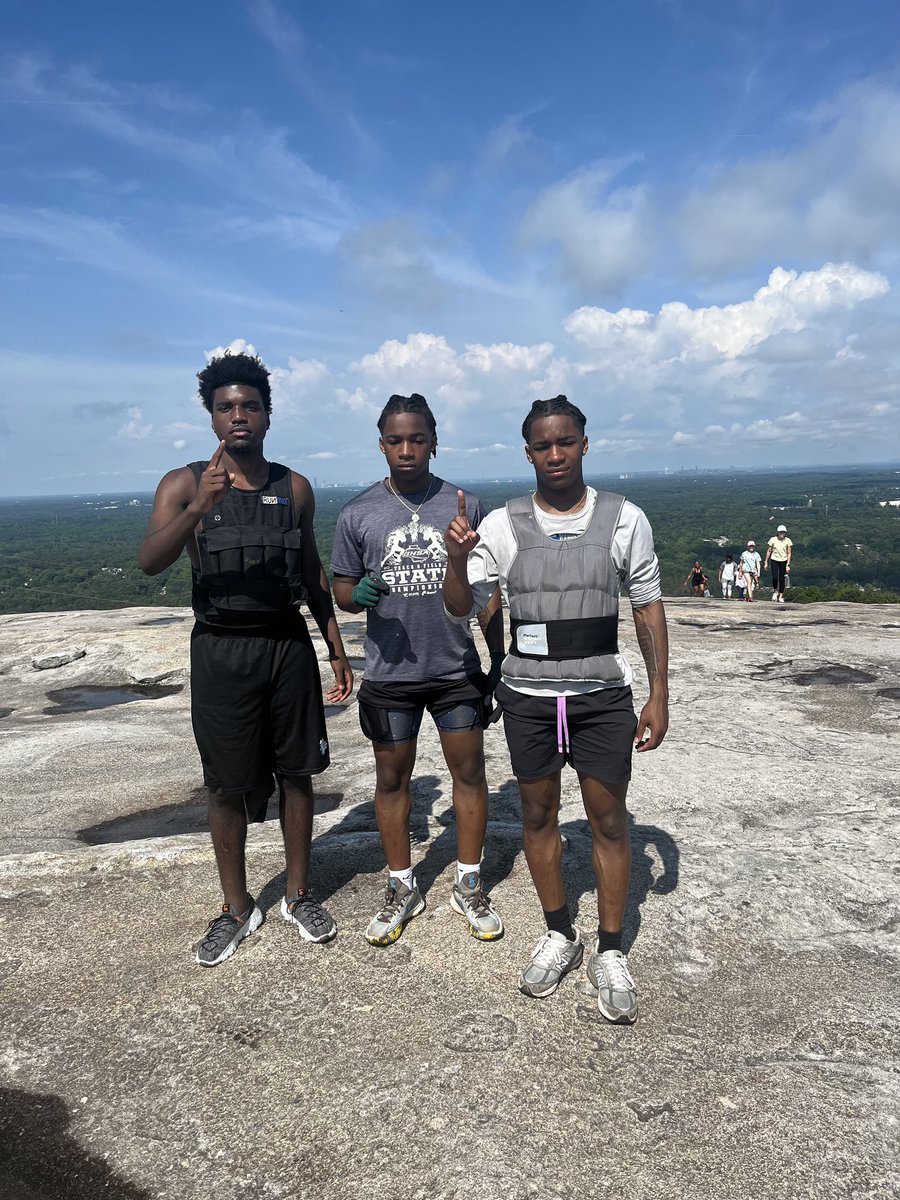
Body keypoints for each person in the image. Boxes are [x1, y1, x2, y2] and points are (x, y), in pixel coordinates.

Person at [443, 395, 669, 1024]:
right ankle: (559, 931)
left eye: (565, 441)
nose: (555, 454)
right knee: (538, 814)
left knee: (608, 818)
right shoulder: (503, 525)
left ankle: (612, 948)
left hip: (600, 695)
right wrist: (456, 560)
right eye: (543, 445)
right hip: (530, 697)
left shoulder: (624, 519)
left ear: (584, 444)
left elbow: (646, 605)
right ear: (528, 453)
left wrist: (659, 691)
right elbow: (461, 607)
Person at [138, 350, 353, 967]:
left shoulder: (295, 487)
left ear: (267, 415)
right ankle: (236, 908)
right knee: (226, 783)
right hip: (219, 648)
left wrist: (334, 647)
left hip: (286, 645)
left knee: (297, 774)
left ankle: (298, 893)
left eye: (250, 406)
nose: (239, 416)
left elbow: (311, 573)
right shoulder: (183, 483)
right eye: (227, 407)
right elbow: (151, 560)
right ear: (211, 417)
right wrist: (199, 510)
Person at [331, 393, 504, 947]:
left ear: (434, 441)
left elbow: (488, 594)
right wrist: (355, 596)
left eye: (417, 439)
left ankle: (469, 883)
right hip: (390, 671)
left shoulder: (466, 505)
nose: (406, 450)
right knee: (391, 779)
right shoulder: (358, 512)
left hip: (454, 666)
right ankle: (402, 884)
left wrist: (499, 661)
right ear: (380, 443)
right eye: (395, 440)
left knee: (470, 773)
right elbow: (340, 587)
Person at [765, 525, 793, 603]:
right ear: (778, 532)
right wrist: (766, 562)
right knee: (774, 577)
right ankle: (775, 591)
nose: (782, 533)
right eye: (780, 532)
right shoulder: (773, 540)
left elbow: (789, 553)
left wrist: (788, 564)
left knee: (782, 579)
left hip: (783, 560)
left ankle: (781, 596)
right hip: (774, 559)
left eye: (783, 532)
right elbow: (769, 551)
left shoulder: (788, 541)